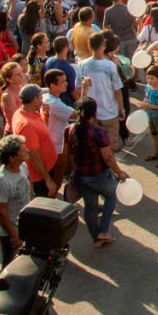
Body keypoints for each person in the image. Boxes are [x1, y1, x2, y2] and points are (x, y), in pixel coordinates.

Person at [65, 98, 129, 248]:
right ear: (94, 112)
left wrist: (72, 171)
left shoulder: (71, 130)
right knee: (111, 198)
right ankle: (103, 231)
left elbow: (68, 153)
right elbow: (108, 157)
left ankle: (96, 237)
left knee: (90, 206)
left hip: (81, 175)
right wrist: (119, 172)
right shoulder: (98, 132)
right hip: (99, 175)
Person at [0, 134, 33, 266]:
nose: (27, 151)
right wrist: (14, 236)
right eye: (22, 150)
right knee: (10, 265)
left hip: (25, 226)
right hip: (10, 232)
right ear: (12, 158)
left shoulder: (23, 166)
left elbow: (29, 183)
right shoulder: (1, 180)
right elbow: (0, 212)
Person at [77, 34, 125, 151]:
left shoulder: (82, 65)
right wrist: (122, 109)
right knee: (111, 146)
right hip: (109, 112)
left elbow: (78, 88)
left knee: (93, 147)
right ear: (104, 45)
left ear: (89, 45)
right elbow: (117, 91)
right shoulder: (110, 65)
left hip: (91, 113)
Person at [9, 85, 59, 198]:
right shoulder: (27, 125)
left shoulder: (28, 113)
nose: (43, 100)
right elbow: (34, 157)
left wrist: (45, 115)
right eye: (41, 97)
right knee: (45, 205)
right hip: (39, 178)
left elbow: (42, 132)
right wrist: (48, 180)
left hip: (45, 171)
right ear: (34, 99)